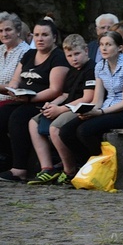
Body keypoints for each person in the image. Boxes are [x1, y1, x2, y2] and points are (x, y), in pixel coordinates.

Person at [57, 31, 123, 166]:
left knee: (85, 131)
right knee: (66, 132)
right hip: (106, 108)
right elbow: (98, 99)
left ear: (119, 47)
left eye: (108, 44)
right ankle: (88, 164)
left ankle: (103, 164)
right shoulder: (100, 66)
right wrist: (89, 112)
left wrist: (100, 113)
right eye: (101, 45)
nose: (104, 48)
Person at [0, 18, 69, 181]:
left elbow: (55, 89)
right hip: (22, 99)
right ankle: (5, 160)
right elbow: (16, 79)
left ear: (54, 37)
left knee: (17, 118)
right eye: (37, 34)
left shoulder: (58, 57)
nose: (40, 38)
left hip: (43, 102)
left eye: (45, 35)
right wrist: (14, 89)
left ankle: (19, 169)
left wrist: (31, 98)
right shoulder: (29, 54)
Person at [26, 34, 95, 185]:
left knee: (55, 128)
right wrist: (51, 105)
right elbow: (64, 94)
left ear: (86, 51)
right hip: (65, 105)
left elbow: (87, 98)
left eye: (77, 54)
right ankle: (47, 168)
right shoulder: (72, 71)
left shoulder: (91, 69)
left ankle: (69, 170)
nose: (73, 59)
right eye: (69, 56)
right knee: (34, 122)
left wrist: (60, 109)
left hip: (79, 108)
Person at [0, 12, 31, 110]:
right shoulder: (1, 49)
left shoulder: (26, 52)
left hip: (12, 102)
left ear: (18, 31)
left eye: (8, 30)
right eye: (0, 31)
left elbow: (19, 86)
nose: (4, 34)